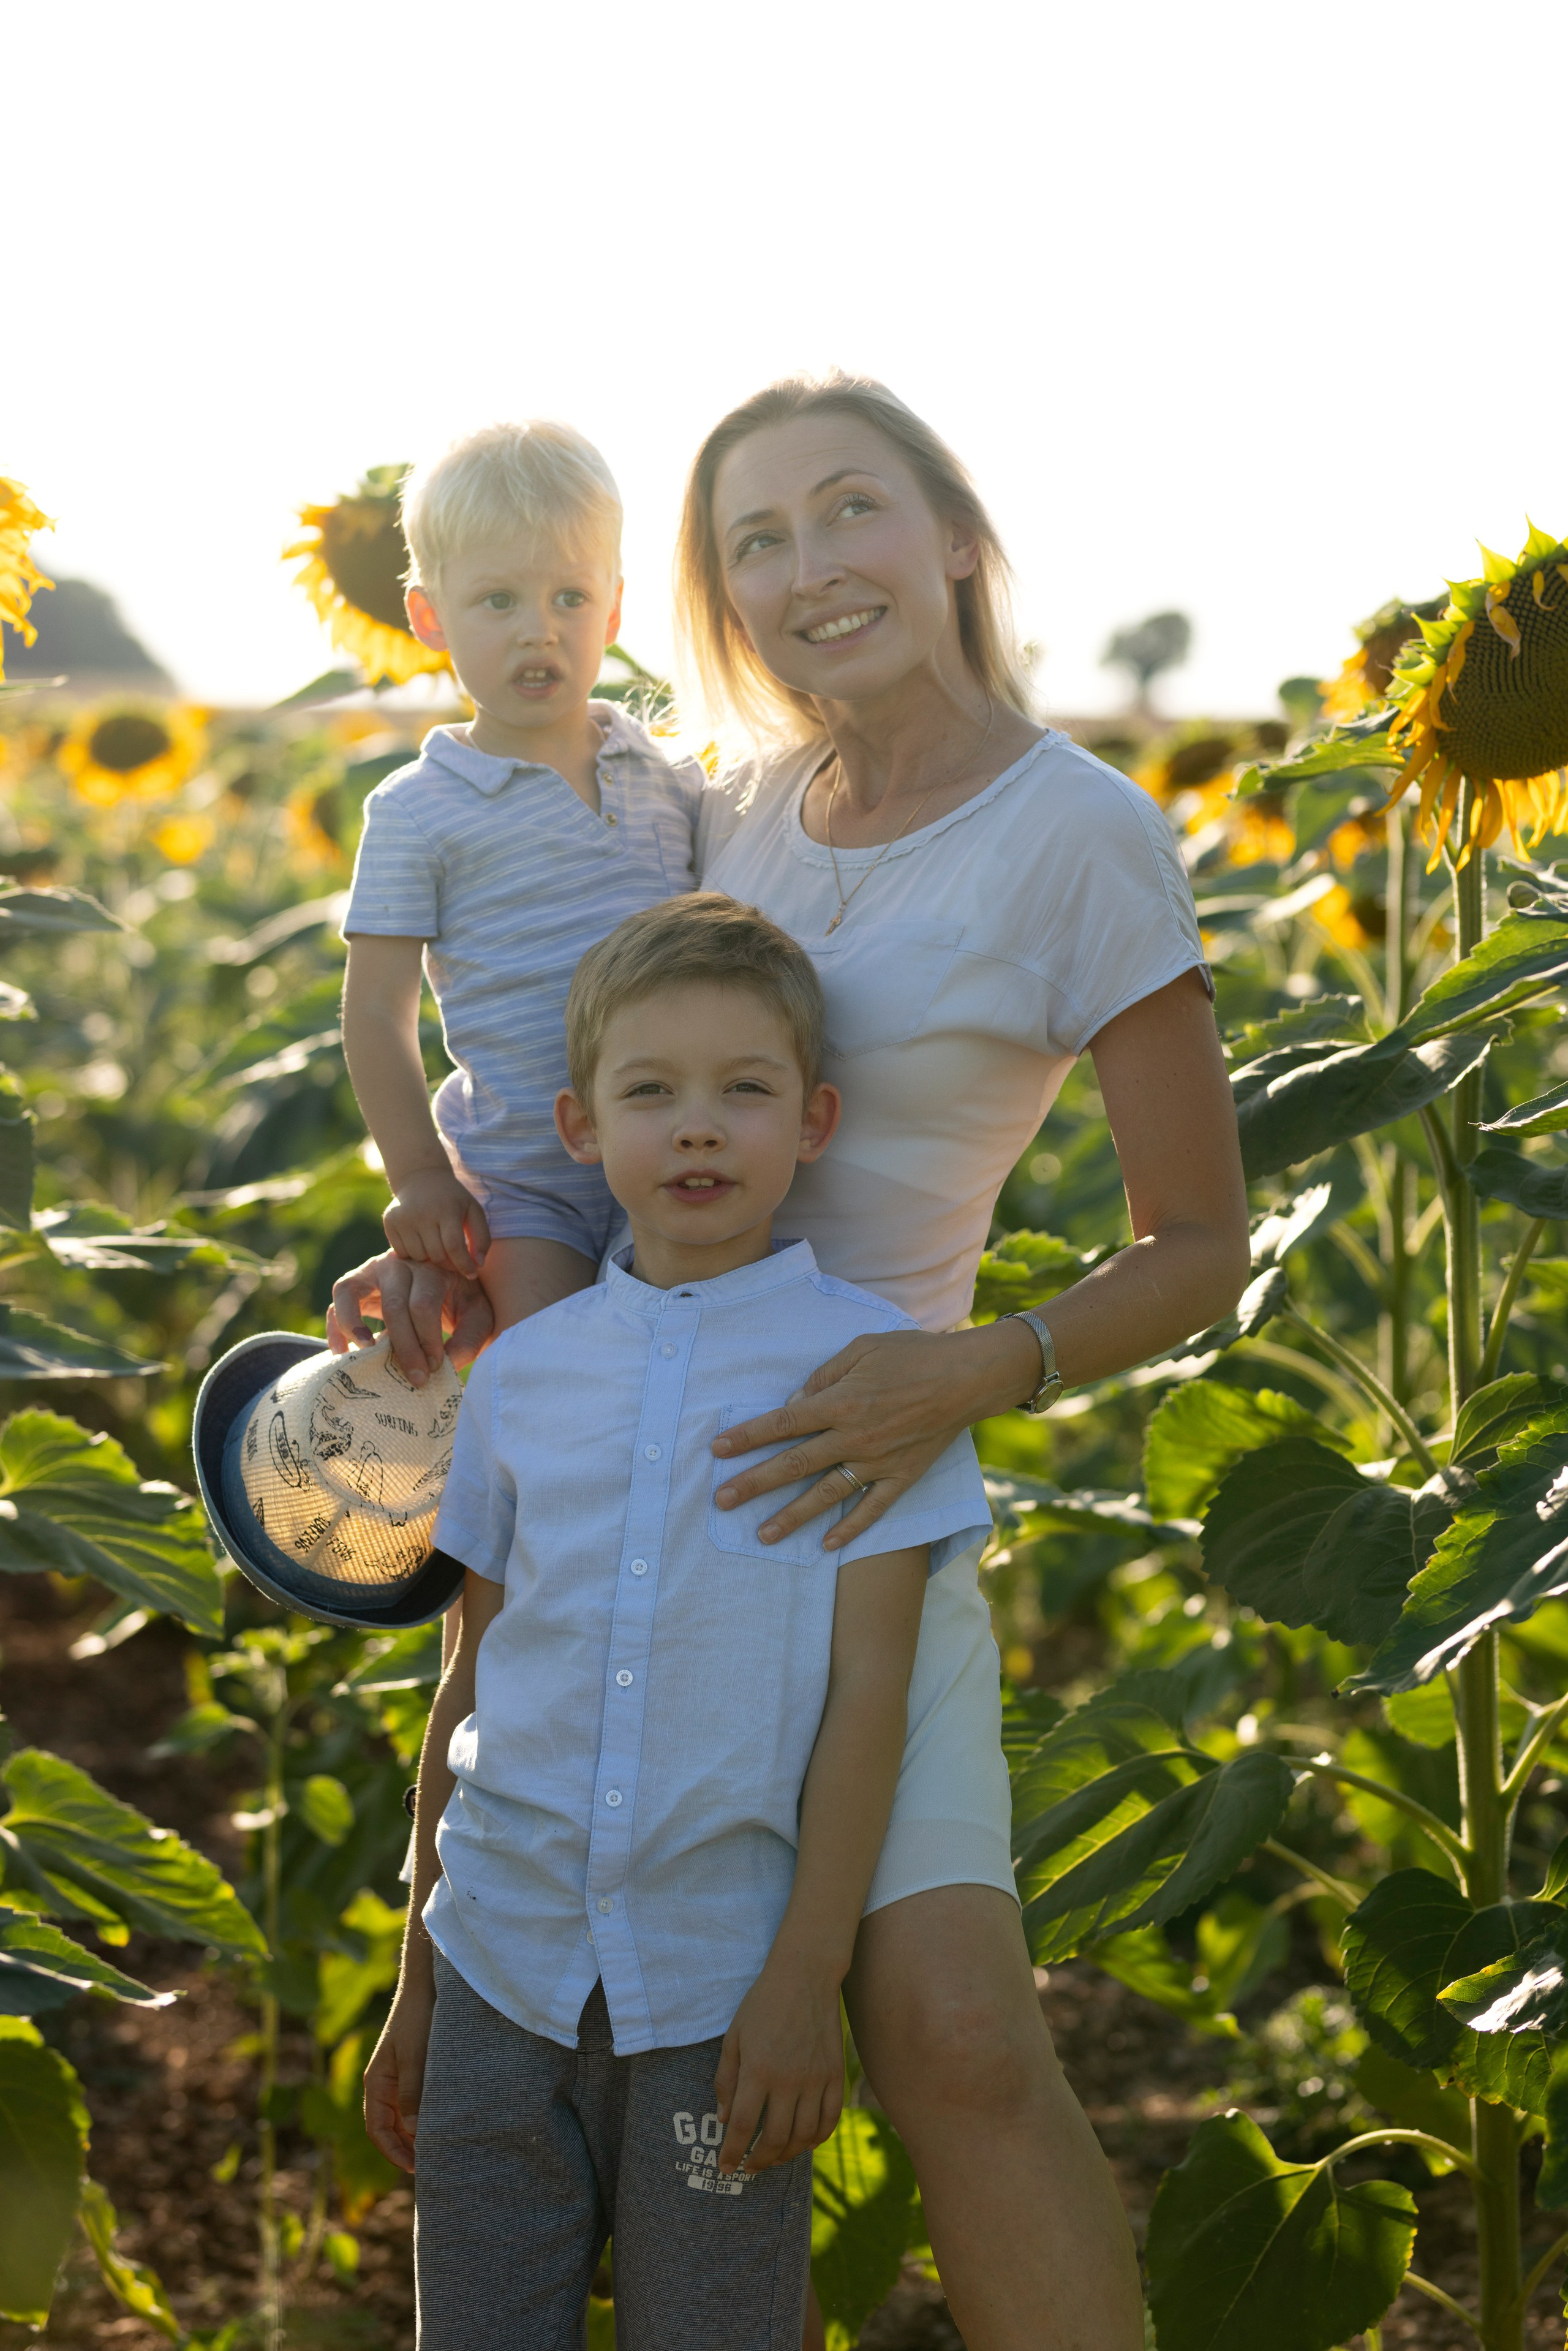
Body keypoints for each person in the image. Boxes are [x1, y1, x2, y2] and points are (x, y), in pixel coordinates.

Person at [334, 372, 1251, 2351]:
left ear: (957, 537)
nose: (809, 566)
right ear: (719, 593)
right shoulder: (713, 799)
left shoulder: (1080, 833)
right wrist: (448, 1248)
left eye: (850, 511)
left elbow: (1201, 1240)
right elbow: (572, 1081)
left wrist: (977, 1368)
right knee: (541, 2016)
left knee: (952, 2037)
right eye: (755, 537)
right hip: (620, 1487)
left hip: (854, 1492)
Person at [362, 896, 992, 2351]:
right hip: (495, 1966)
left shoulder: (866, 1378)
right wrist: (416, 1986)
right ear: (581, 1128)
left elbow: (866, 1700)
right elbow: (469, 1685)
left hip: (722, 1995)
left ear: (814, 1118)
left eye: (743, 1090)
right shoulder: (523, 1378)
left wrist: (804, 1978)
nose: (697, 1129)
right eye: (652, 1092)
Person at [339, 418, 704, 1334]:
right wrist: (420, 1174)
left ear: (614, 612)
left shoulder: (666, 772)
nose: (538, 630)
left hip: (672, 1151)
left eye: (570, 598)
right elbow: (375, 1011)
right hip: (522, 1183)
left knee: (680, 1366)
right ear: (429, 618)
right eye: (497, 601)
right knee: (544, 1381)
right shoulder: (419, 807)